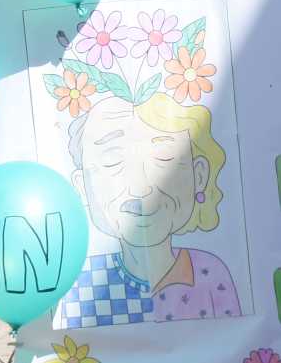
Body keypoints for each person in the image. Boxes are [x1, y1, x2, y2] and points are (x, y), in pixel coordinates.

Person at [54, 92, 244, 329]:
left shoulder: (209, 274)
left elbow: (235, 341)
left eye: (164, 157)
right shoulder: (81, 284)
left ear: (199, 175)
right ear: (82, 186)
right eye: (113, 159)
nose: (140, 188)